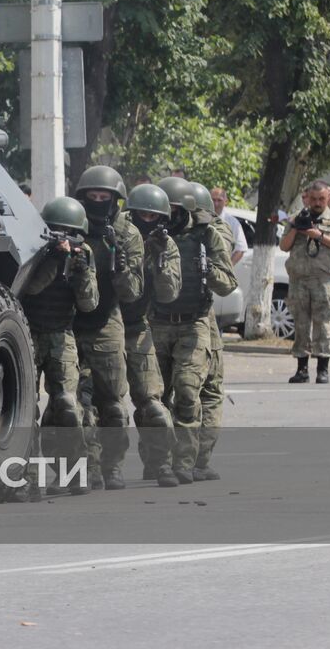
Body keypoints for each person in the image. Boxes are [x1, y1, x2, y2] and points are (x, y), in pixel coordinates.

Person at [148, 177, 237, 484]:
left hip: (194, 323)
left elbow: (228, 284)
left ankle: (184, 463)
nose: (167, 216)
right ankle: (158, 462)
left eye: (173, 209)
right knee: (154, 399)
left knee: (188, 392)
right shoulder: (148, 234)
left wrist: (206, 269)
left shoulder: (206, 234)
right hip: (156, 323)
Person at [20, 196, 98, 496]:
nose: (63, 238)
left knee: (67, 405)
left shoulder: (84, 254)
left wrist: (78, 270)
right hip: (29, 332)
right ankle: (28, 476)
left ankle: (75, 473)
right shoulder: (37, 248)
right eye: (57, 231)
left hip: (61, 335)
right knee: (27, 410)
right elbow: (32, 288)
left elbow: (90, 303)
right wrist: (52, 260)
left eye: (69, 232)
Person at [71, 165, 143, 491]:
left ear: (116, 200)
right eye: (92, 196)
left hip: (107, 322)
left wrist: (120, 261)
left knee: (112, 401)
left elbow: (132, 293)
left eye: (104, 197)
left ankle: (113, 466)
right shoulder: (72, 226)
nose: (98, 201)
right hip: (70, 322)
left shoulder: (127, 234)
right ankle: (88, 468)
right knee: (77, 404)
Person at [121, 183, 181, 487]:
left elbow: (168, 294)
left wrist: (157, 260)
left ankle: (161, 465)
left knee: (153, 404)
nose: (147, 220)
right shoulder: (116, 236)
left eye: (153, 216)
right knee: (100, 405)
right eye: (141, 214)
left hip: (137, 328)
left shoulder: (166, 246)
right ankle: (103, 468)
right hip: (105, 326)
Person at [281, 180, 330, 384]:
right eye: (314, 199)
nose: (317, 202)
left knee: (323, 325)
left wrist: (317, 235)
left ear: (328, 198)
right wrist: (296, 229)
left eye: (322, 199)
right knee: (301, 325)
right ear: (307, 198)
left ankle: (322, 369)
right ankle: (302, 369)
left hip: (323, 280)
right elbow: (284, 246)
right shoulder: (295, 219)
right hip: (299, 280)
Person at [190, 181, 236, 480]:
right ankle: (179, 460)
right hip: (169, 320)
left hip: (201, 318)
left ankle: (196, 460)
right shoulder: (153, 226)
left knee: (207, 388)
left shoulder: (214, 232)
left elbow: (225, 281)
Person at [210, 187, 248, 265]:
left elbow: (240, 249)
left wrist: (227, 268)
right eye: (213, 200)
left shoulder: (233, 222)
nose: (216, 204)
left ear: (225, 201)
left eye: (219, 200)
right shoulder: (202, 218)